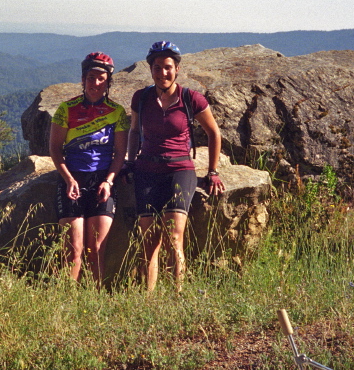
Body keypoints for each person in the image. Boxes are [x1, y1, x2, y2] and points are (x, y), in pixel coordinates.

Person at [127, 41, 225, 292]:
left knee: (174, 237)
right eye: (157, 67)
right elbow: (134, 131)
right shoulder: (141, 98)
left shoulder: (190, 98)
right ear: (150, 70)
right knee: (149, 241)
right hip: (147, 170)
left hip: (179, 170)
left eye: (168, 67)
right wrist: (130, 162)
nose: (163, 73)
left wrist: (212, 172)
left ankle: (176, 297)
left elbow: (214, 132)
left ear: (177, 69)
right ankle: (148, 302)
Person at [49, 52, 129, 285]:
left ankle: (94, 303)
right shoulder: (66, 109)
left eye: (101, 78)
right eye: (91, 78)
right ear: (83, 79)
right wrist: (68, 179)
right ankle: (68, 303)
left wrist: (109, 181)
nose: (95, 83)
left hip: (101, 182)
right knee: (73, 252)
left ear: (108, 82)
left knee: (96, 250)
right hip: (71, 181)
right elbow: (55, 148)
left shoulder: (117, 112)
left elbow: (120, 154)